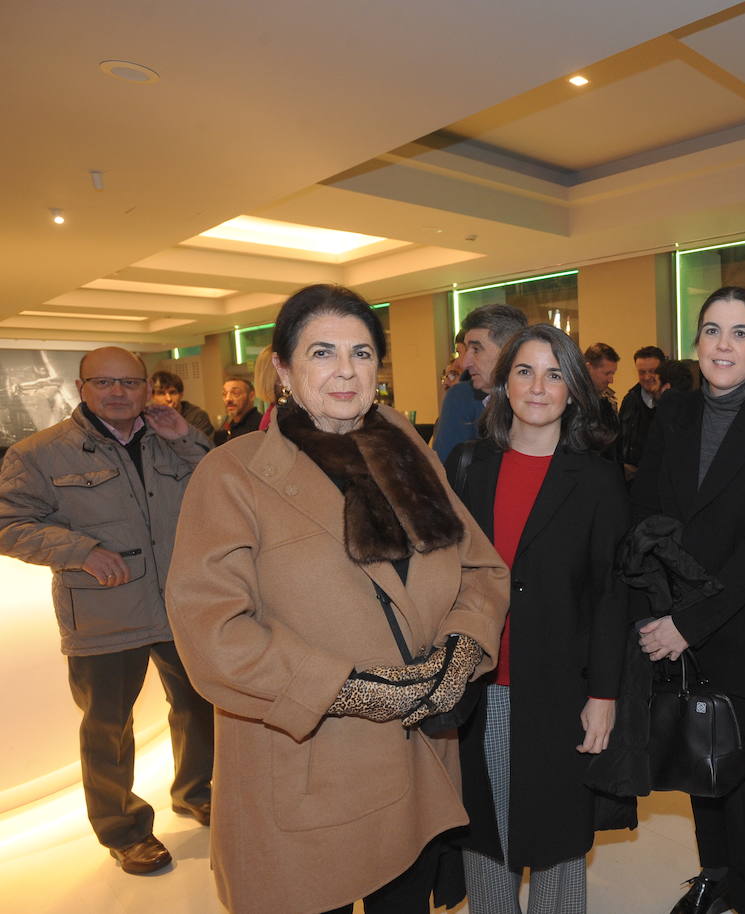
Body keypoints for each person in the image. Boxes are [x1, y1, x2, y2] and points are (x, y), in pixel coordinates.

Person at [164, 284, 509, 914]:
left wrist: (456, 658)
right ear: (284, 369)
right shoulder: (233, 473)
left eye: (362, 352)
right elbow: (214, 637)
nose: (347, 370)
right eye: (323, 352)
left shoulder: (402, 444)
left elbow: (481, 569)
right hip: (309, 764)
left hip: (415, 762)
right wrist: (358, 689)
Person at [0, 346, 214, 875]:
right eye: (104, 383)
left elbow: (222, 487)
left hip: (179, 606)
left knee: (199, 707)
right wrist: (80, 551)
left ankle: (196, 791)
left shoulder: (170, 441)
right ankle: (123, 829)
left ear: (146, 388)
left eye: (129, 382)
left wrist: (185, 442)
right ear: (81, 388)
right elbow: (8, 523)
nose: (118, 392)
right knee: (107, 726)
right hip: (103, 612)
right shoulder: (40, 453)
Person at [633, 287, 745, 914]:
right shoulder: (674, 413)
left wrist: (688, 622)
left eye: (740, 333)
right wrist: (657, 608)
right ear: (698, 343)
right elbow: (647, 515)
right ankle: (716, 876)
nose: (724, 345)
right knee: (700, 763)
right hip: (678, 623)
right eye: (712, 330)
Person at [444, 323, 628, 914]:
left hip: (558, 686)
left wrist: (604, 694)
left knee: (557, 839)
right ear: (503, 385)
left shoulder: (598, 479)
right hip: (479, 683)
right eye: (524, 371)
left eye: (554, 374)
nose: (539, 386)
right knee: (485, 835)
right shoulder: (468, 465)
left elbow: (610, 594)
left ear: (574, 390)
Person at [433, 305, 528, 463]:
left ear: (508, 351)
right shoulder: (461, 397)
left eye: (476, 349)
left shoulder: (540, 405)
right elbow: (444, 473)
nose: (464, 363)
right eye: (466, 350)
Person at [618, 344, 666, 478]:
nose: (647, 377)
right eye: (642, 372)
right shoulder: (630, 400)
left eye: (652, 371)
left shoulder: (674, 402)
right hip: (634, 480)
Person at [149, 369, 214, 438]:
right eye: (161, 393)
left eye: (172, 392)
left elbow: (202, 446)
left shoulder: (198, 416)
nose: (168, 399)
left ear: (181, 395)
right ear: (152, 396)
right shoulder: (148, 419)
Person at [214, 376, 262, 445]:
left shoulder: (259, 426)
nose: (228, 399)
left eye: (235, 393)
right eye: (224, 394)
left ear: (251, 396)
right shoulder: (229, 426)